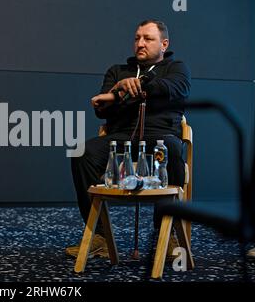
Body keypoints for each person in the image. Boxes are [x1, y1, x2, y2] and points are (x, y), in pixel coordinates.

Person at [66, 19, 191, 257]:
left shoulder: (176, 68)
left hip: (160, 138)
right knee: (82, 152)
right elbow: (102, 108)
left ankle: (165, 234)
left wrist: (136, 84)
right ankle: (99, 236)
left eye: (148, 38)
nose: (140, 43)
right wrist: (117, 90)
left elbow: (173, 88)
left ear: (164, 44)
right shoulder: (117, 71)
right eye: (137, 38)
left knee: (174, 150)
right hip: (121, 139)